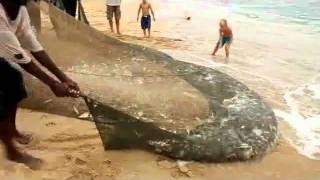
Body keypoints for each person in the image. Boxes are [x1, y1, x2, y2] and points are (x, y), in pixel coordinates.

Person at [0, 0, 80, 169]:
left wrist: (63, 78)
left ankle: (12, 130)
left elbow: (33, 46)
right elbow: (23, 59)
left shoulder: (19, 9)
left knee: (14, 81)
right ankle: (11, 151)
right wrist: (53, 84)